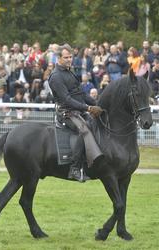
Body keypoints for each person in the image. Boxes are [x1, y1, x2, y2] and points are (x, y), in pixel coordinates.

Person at [49, 43, 104, 182]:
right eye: (66, 57)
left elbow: (82, 94)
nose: (69, 59)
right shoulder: (56, 76)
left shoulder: (69, 71)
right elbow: (66, 100)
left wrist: (98, 105)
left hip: (77, 111)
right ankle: (74, 169)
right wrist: (88, 108)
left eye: (70, 57)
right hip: (66, 114)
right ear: (59, 58)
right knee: (83, 130)